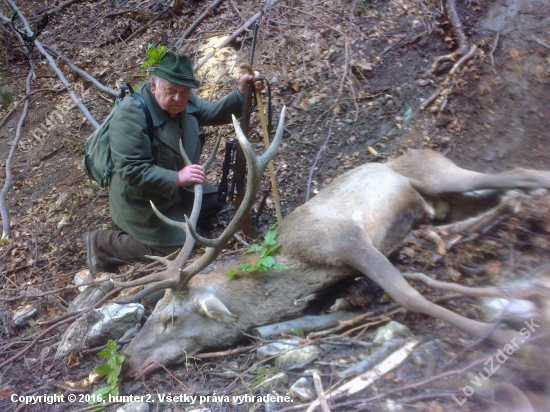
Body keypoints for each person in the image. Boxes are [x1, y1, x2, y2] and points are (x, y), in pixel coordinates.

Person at [84, 51, 264, 275]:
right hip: (138, 199)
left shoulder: (183, 101)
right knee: (173, 247)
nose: (179, 99)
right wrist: (178, 178)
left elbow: (212, 113)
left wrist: (240, 93)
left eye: (184, 92)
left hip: (170, 190)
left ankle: (177, 218)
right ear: (154, 86)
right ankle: (100, 244)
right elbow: (131, 170)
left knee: (215, 200)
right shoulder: (131, 114)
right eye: (171, 91)